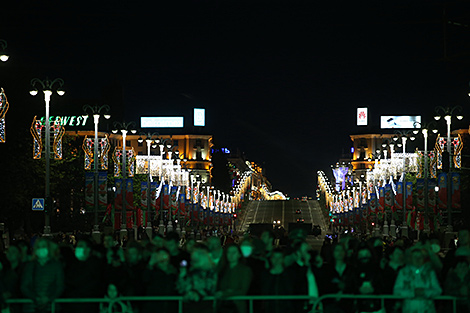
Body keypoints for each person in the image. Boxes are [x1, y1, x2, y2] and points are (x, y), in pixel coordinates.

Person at [20, 237, 64, 313]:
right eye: (38, 247)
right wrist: (35, 298)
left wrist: (49, 298)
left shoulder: (56, 265)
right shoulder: (30, 265)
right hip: (32, 307)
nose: (41, 249)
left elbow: (60, 285)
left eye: (43, 246)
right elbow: (24, 286)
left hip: (51, 307)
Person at [394, 246, 442, 313]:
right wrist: (413, 293)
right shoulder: (403, 272)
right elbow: (397, 290)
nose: (417, 259)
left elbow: (438, 290)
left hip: (427, 309)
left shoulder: (430, 272)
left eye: (420, 257)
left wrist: (425, 292)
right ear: (411, 258)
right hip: (409, 309)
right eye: (415, 257)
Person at [63, 238, 104, 313]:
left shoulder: (96, 265)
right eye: (77, 246)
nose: (78, 248)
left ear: (88, 249)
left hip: (89, 305)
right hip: (72, 305)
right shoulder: (72, 264)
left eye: (81, 246)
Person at [177, 245, 218, 313]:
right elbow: (180, 289)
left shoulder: (211, 271)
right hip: (189, 306)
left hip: (204, 306)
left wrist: (198, 294)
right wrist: (182, 277)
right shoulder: (190, 271)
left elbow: (211, 287)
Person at [216, 244, 253, 313]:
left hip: (237, 306)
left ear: (239, 254)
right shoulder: (222, 269)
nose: (231, 255)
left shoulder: (245, 270)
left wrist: (225, 293)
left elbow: (243, 290)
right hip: (222, 306)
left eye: (234, 252)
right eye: (228, 252)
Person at [141, 248, 178, 313]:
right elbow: (144, 280)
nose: (163, 259)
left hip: (170, 308)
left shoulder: (174, 273)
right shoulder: (151, 272)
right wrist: (151, 263)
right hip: (154, 308)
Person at [260, 248, 294, 313]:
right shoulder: (265, 274)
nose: (277, 260)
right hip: (269, 308)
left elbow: (290, 290)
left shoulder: (289, 274)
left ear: (283, 259)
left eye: (279, 258)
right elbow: (264, 290)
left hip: (286, 309)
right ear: (271, 259)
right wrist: (271, 274)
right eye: (274, 257)